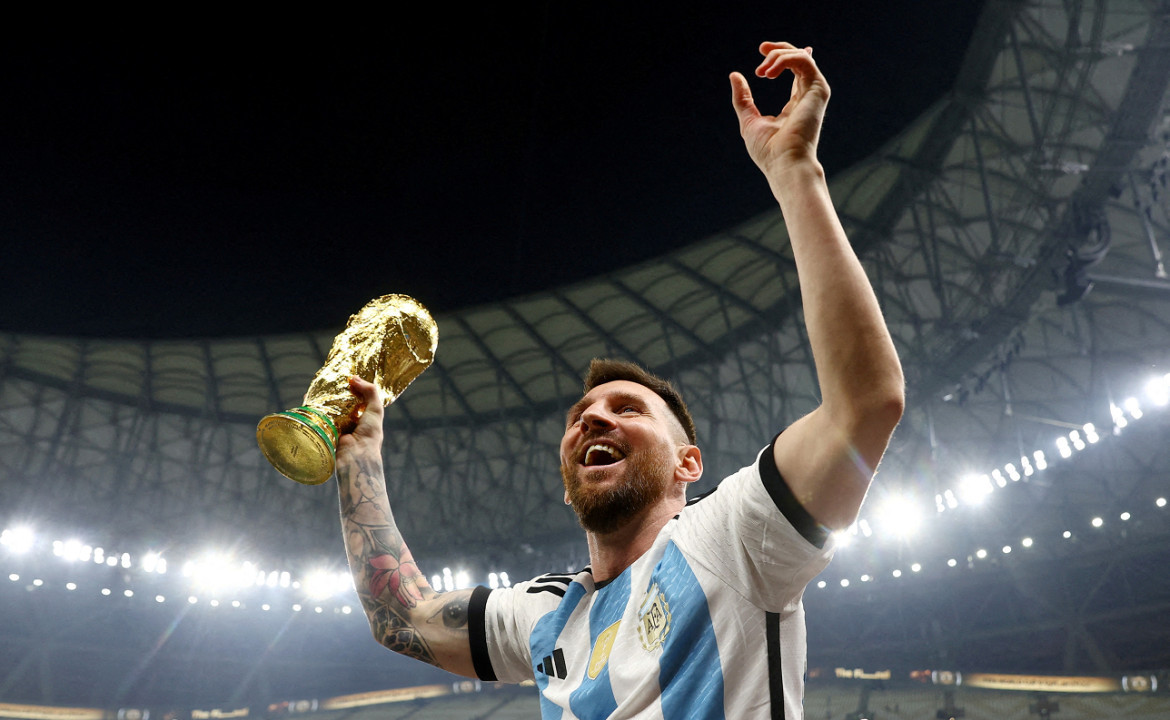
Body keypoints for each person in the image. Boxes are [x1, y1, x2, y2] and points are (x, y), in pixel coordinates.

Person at [334, 41, 904, 720]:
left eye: (627, 408)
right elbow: (402, 618)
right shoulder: (546, 614)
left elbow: (865, 407)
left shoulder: (731, 537)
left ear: (687, 464)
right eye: (581, 415)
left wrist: (794, 172)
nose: (592, 419)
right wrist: (358, 454)